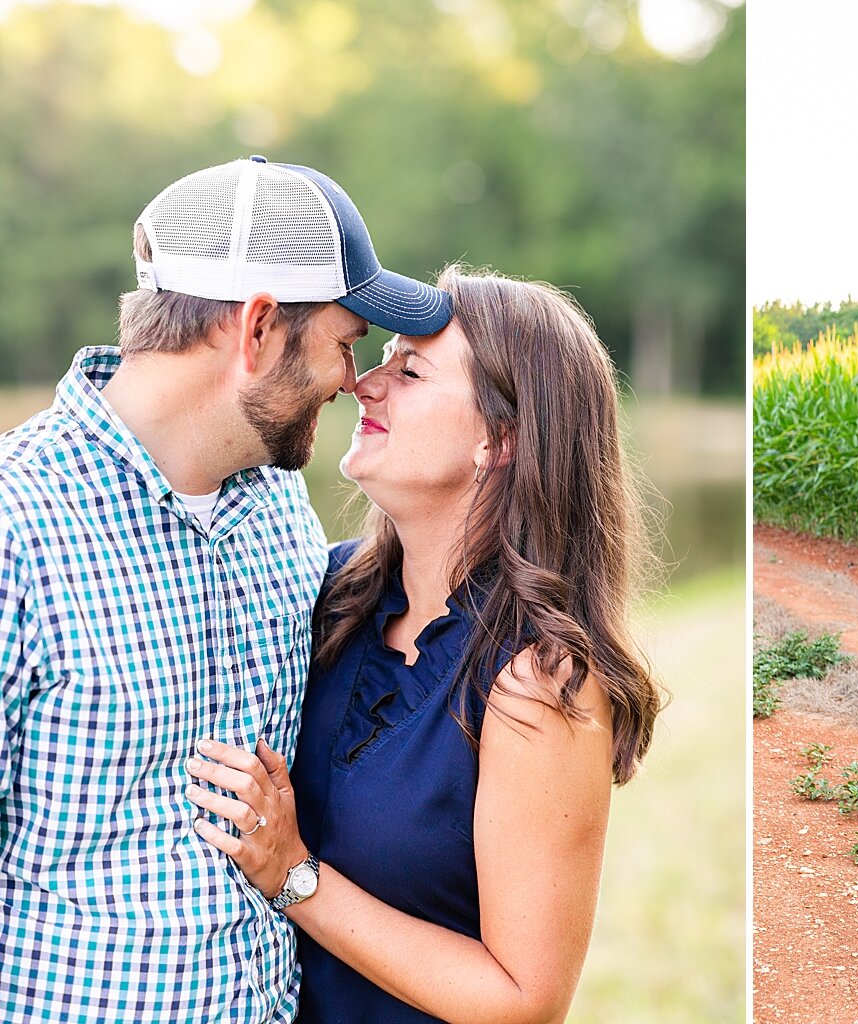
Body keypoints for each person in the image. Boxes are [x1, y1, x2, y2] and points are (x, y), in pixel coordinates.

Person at [0, 156, 452, 1021]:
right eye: (345, 341)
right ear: (255, 331)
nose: (353, 380)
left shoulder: (280, 504)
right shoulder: (18, 529)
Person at [183, 265, 662, 1024]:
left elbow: (523, 1000)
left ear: (500, 439)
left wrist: (294, 874)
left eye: (409, 370)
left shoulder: (538, 680)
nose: (364, 384)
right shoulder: (332, 595)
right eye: (380, 361)